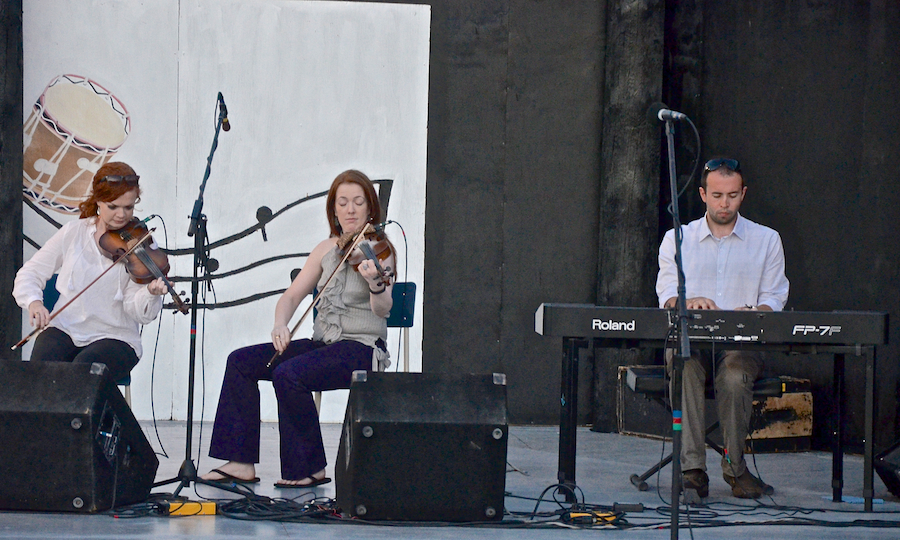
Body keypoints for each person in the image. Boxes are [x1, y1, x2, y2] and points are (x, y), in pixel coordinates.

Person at [201, 169, 395, 488]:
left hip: (362, 349)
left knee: (289, 373)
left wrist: (375, 282)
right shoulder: (324, 249)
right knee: (241, 362)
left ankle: (309, 468)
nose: (350, 209)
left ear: (369, 208)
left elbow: (383, 308)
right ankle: (239, 463)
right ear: (333, 208)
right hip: (324, 346)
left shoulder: (380, 251)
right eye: (342, 202)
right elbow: (292, 296)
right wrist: (281, 324)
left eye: (358, 202)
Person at [656, 157, 789, 499]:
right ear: (702, 194)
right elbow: (667, 295)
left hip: (741, 345)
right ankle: (692, 471)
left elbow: (775, 299)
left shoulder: (767, 240)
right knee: (684, 364)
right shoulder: (677, 239)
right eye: (717, 195)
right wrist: (688, 302)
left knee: (734, 374)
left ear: (743, 194)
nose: (724, 203)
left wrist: (753, 311)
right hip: (692, 340)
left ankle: (736, 469)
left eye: (732, 195)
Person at [13, 162, 168, 383]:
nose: (122, 215)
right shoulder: (74, 233)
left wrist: (150, 294)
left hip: (116, 336)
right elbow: (31, 272)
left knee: (83, 375)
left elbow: (137, 312)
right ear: (98, 202)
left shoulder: (139, 244)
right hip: (66, 328)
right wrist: (34, 302)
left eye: (129, 207)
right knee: (41, 372)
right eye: (113, 207)